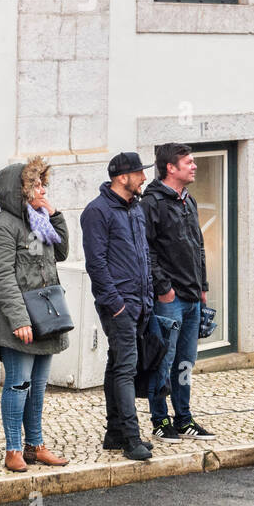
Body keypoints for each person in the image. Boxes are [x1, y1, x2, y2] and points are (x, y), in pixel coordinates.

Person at [0, 157, 72, 472]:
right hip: (21, 320)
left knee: (37, 384)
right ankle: (13, 449)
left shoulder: (39, 219)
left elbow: (60, 252)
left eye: (42, 183)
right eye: (35, 184)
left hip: (47, 316)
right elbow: (3, 279)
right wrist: (19, 320)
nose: (42, 189)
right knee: (18, 383)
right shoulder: (1, 226)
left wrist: (55, 215)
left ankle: (35, 445)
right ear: (19, 190)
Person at [81, 152, 154, 461]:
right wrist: (116, 304)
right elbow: (96, 264)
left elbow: (145, 255)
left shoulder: (135, 209)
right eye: (139, 173)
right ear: (122, 177)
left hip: (140, 303)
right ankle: (131, 439)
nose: (144, 178)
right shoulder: (97, 212)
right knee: (126, 368)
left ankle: (114, 433)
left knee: (118, 364)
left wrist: (148, 296)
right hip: (119, 305)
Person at [141, 143, 215, 443]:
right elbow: (147, 251)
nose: (194, 166)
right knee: (163, 361)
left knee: (185, 362)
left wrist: (203, 287)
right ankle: (160, 420)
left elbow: (198, 246)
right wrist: (164, 289)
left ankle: (184, 418)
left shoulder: (189, 201)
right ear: (170, 168)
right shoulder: (152, 203)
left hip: (192, 297)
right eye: (188, 162)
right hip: (168, 300)